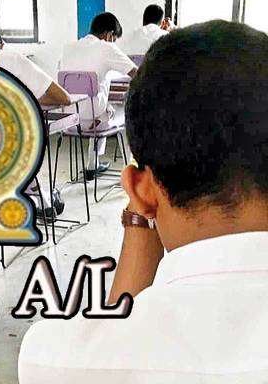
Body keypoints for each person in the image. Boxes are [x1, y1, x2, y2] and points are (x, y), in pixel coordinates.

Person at [19, 20, 268, 383]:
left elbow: (109, 344)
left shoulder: (59, 360)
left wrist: (139, 223)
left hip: (72, 127)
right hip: (95, 118)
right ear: (111, 34)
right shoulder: (110, 49)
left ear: (139, 191)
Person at [0, 24, 71, 216]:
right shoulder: (10, 58)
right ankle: (44, 201)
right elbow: (63, 97)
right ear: (0, 44)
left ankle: (39, 198)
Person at [59, 12, 137, 180]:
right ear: (109, 34)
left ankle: (92, 165)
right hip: (94, 122)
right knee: (124, 113)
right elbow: (136, 73)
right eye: (113, 39)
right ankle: (129, 173)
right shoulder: (106, 47)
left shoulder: (68, 48)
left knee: (101, 107)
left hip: (70, 120)